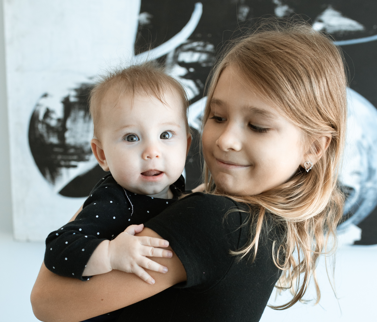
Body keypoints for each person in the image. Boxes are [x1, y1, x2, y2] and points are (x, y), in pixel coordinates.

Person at [31, 21, 347, 322]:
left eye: (258, 126)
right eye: (218, 116)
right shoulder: (268, 224)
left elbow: (47, 301)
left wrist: (109, 191)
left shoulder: (216, 220)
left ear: (314, 148)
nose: (226, 140)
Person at [43, 63, 193, 321]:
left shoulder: (178, 191)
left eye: (166, 134)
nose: (152, 151)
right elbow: (59, 248)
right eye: (131, 138)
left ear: (186, 144)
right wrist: (111, 254)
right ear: (101, 154)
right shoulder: (115, 199)